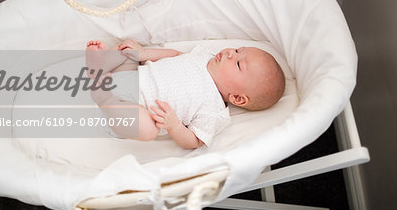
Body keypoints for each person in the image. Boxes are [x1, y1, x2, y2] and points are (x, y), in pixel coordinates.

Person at [85, 39, 285, 149]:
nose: (231, 53)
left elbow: (193, 141)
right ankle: (97, 69)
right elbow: (174, 55)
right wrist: (144, 54)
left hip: (126, 109)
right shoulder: (204, 57)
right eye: (238, 49)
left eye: (239, 63)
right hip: (130, 75)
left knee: (148, 129)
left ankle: (102, 95)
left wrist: (174, 125)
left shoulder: (215, 111)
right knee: (125, 49)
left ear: (238, 98)